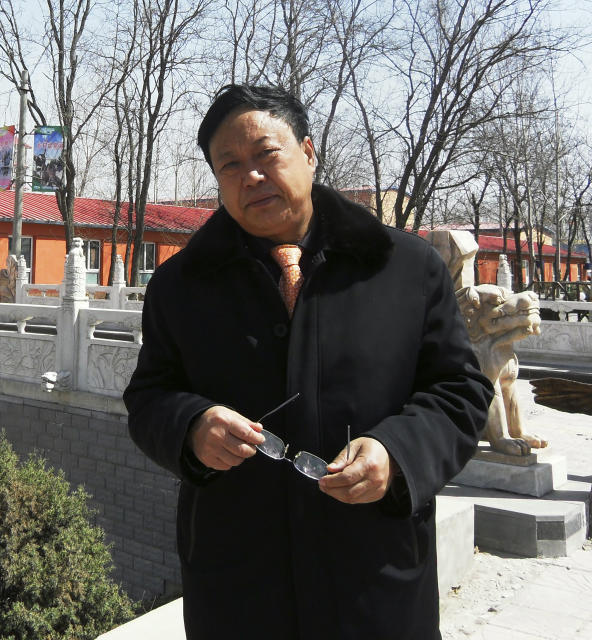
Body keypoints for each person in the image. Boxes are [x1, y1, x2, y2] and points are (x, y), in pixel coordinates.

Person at [123, 84, 493, 640]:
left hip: (375, 583)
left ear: (308, 152)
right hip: (240, 591)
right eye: (230, 165)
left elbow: (460, 392)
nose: (251, 176)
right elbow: (149, 397)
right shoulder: (181, 285)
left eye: (266, 155)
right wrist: (191, 426)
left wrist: (397, 452)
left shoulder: (404, 268)